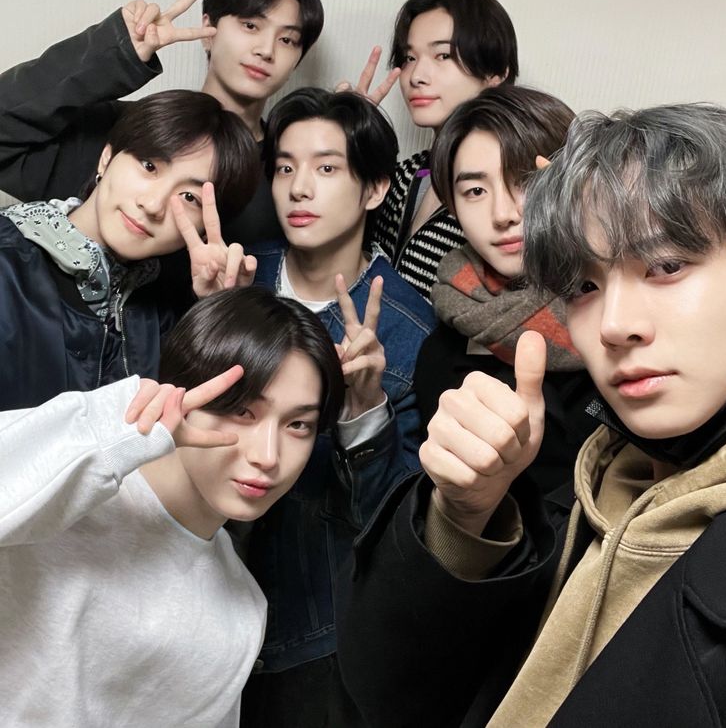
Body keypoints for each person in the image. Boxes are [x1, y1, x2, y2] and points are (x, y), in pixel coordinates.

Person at [337, 102, 726, 728]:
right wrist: (464, 515)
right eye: (581, 286)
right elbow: (393, 688)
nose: (614, 326)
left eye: (665, 265)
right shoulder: (593, 491)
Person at [0, 285, 344, 727]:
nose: (268, 455)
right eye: (243, 411)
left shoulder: (240, 611)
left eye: (299, 424)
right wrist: (118, 424)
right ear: (185, 391)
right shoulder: (70, 481)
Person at [241, 86, 436, 727]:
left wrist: (365, 406)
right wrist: (210, 315)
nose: (300, 188)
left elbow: (393, 524)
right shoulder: (233, 278)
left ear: (375, 189)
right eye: (286, 167)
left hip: (310, 636)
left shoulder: (409, 329)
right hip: (187, 606)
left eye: (327, 169)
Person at [0, 0, 324, 244]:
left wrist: (350, 130)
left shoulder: (289, 171)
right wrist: (117, 53)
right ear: (208, 26)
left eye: (287, 39)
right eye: (250, 25)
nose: (266, 50)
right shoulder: (131, 135)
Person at [0, 88, 258, 409]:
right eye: (149, 166)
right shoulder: (9, 262)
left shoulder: (166, 309)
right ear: (106, 158)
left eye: (189, 197)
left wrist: (218, 311)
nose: (152, 205)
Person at [417, 85, 597, 495]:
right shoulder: (442, 347)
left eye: (526, 181)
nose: (503, 214)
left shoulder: (628, 318)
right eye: (476, 191)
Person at [369, 0, 519, 299]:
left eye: (442, 55)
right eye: (409, 57)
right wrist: (346, 138)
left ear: (495, 74)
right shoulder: (404, 175)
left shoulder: (517, 193)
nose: (416, 75)